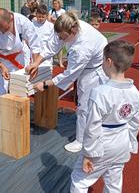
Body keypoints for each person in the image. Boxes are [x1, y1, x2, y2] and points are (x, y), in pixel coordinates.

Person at [27, 11, 108, 152]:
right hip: (88, 64)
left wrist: (44, 84)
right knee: (88, 104)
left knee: (85, 106)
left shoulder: (83, 47)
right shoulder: (68, 25)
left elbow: (69, 75)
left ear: (73, 30)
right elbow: (52, 46)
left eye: (62, 37)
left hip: (95, 70)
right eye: (59, 36)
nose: (60, 39)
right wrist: (36, 62)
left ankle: (81, 141)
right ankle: (93, 131)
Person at [70, 40, 139, 193]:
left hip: (102, 144)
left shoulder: (100, 92)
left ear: (108, 62)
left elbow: (92, 127)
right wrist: (130, 146)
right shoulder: (136, 93)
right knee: (114, 183)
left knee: (80, 180)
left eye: (103, 60)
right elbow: (134, 124)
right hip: (121, 143)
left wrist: (89, 154)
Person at [0, 8, 41, 132]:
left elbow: (35, 44)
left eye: (5, 28)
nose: (2, 32)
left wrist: (35, 63)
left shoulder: (23, 22)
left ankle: (20, 123)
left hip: (18, 57)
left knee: (20, 90)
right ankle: (3, 129)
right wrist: (1, 66)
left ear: (11, 19)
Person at [49, 0, 66, 68]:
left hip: (59, 30)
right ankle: (51, 61)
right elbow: (48, 19)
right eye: (53, 4)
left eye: (56, 3)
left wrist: (55, 20)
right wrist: (52, 19)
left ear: (59, 4)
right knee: (51, 45)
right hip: (52, 30)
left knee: (60, 47)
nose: (54, 5)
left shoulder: (63, 11)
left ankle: (60, 62)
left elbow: (64, 20)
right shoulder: (51, 11)